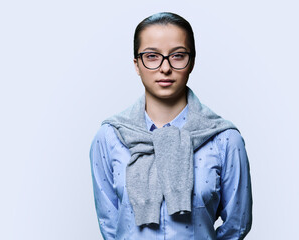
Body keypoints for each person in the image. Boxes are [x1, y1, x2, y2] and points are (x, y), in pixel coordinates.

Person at [89, 12, 253, 240]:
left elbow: (237, 225)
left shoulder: (224, 139)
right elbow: (110, 226)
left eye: (177, 56)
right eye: (152, 56)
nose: (165, 68)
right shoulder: (109, 137)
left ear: (192, 62)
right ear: (137, 64)